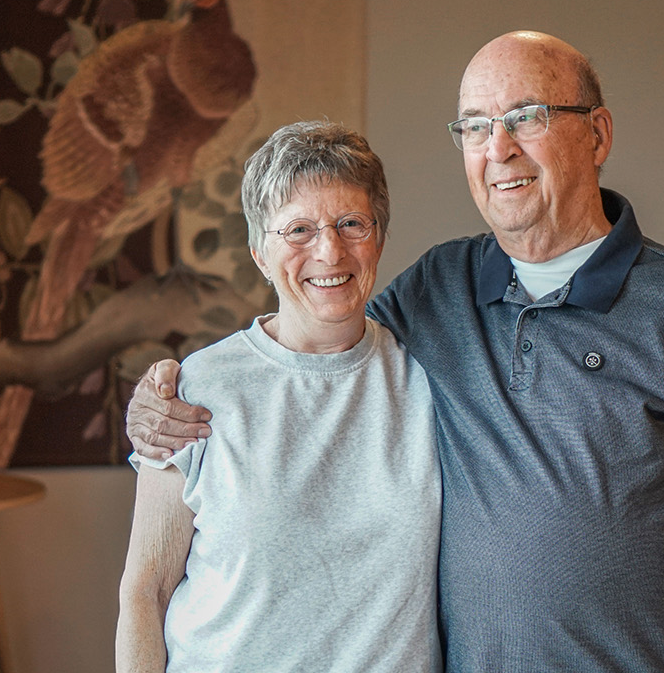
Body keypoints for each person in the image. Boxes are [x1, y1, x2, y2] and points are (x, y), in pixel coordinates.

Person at [126, 31, 664, 673]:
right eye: (474, 125)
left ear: (597, 134)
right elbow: (320, 334)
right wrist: (158, 400)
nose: (498, 148)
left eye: (525, 118)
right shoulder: (441, 286)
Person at [115, 121, 441, 673]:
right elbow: (146, 593)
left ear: (379, 237)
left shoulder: (431, 379)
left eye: (351, 223)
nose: (329, 251)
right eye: (298, 230)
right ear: (260, 254)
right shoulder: (197, 388)